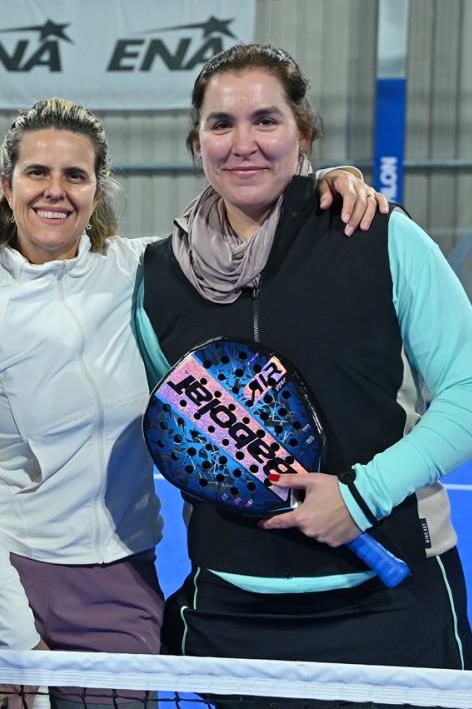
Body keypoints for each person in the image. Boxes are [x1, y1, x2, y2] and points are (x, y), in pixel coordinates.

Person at [0, 96, 385, 678]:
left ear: (97, 190)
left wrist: (324, 184)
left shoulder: (144, 270)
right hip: (6, 578)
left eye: (75, 175)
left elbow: (248, 231)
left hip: (124, 576)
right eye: (37, 172)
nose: (55, 191)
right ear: (7, 186)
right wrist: (14, 634)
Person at [135, 44, 472, 688]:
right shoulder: (155, 276)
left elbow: (468, 387)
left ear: (303, 133)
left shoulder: (378, 234)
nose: (244, 144)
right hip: (231, 615)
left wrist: (362, 497)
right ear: (197, 143)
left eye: (266, 120)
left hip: (390, 604)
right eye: (221, 124)